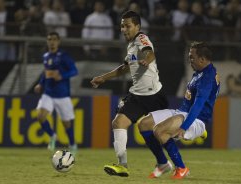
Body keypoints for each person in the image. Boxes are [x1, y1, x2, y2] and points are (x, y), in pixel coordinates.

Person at [90, 10, 168, 177]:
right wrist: (103, 78)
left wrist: (147, 59)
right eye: (122, 26)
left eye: (128, 26)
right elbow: (124, 68)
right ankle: (122, 165)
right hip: (138, 96)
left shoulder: (141, 38)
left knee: (168, 134)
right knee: (118, 123)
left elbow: (149, 52)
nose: (124, 29)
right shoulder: (131, 45)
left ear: (137, 26)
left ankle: (195, 128)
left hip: (154, 96)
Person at [138, 41, 220, 179]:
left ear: (202, 59)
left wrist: (184, 127)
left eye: (192, 57)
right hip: (182, 111)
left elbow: (199, 104)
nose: (190, 61)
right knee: (144, 124)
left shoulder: (207, 77)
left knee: (159, 130)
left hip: (196, 119)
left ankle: (181, 168)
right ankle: (163, 164)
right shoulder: (199, 73)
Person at [34, 32, 78, 155]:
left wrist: (62, 76)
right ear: (47, 41)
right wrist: (41, 84)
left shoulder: (64, 56)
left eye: (54, 39)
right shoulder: (46, 56)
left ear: (58, 41)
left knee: (66, 124)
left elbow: (74, 70)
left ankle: (73, 144)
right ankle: (52, 136)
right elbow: (46, 72)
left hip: (62, 95)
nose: (52, 42)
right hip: (48, 93)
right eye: (49, 39)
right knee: (40, 116)